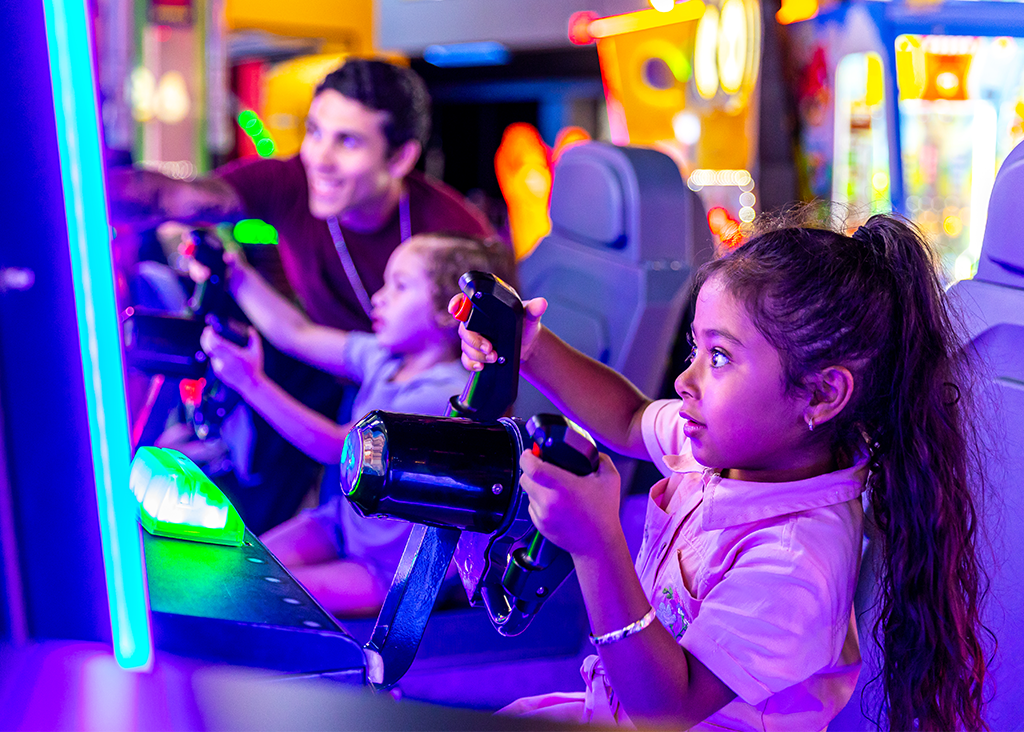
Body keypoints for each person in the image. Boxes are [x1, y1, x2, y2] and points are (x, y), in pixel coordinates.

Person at [455, 211, 987, 731]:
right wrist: (531, 348)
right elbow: (628, 418)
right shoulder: (722, 449)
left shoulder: (796, 559)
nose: (684, 380)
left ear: (822, 394)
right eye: (695, 347)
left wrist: (596, 543)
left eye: (720, 357)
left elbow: (666, 709)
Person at [110, 58, 494, 531]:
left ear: (399, 159)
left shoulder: (455, 239)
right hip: (335, 358)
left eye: (347, 141)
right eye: (315, 132)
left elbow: (493, 382)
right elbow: (175, 200)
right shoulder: (290, 180)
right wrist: (72, 189)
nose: (319, 158)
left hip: (414, 405)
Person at [200, 233, 515, 618]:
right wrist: (235, 272)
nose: (378, 297)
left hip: (388, 569)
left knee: (249, 593)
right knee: (228, 569)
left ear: (450, 311)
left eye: (400, 286)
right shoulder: (386, 358)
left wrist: (249, 382)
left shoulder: (445, 395)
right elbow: (296, 333)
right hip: (342, 524)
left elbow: (339, 448)